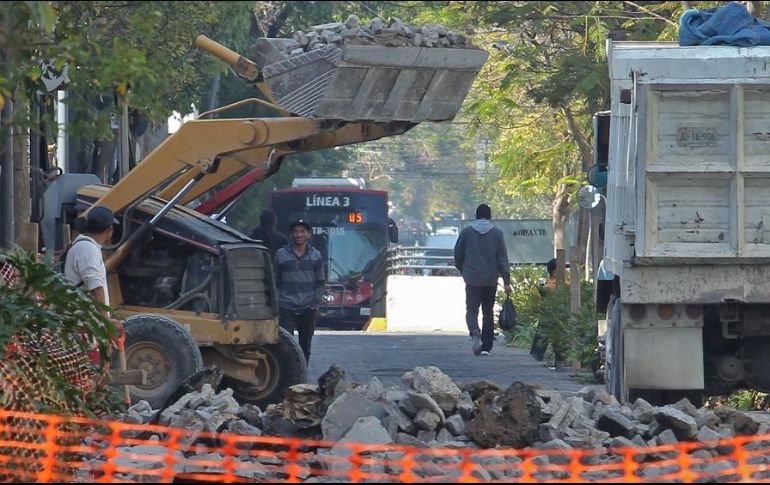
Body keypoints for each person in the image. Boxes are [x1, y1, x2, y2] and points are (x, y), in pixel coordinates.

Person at [454, 204, 512, 356]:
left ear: (476, 215)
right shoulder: (497, 234)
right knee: (488, 311)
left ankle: (474, 332)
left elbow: (458, 253)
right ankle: (486, 346)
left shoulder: (467, 232)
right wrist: (506, 280)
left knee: (471, 310)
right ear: (490, 216)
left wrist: (464, 270)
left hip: (472, 278)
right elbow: (502, 259)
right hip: (490, 279)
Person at [274, 220, 326, 363]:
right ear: (291, 234)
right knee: (286, 345)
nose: (299, 234)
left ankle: (302, 377)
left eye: (302, 231)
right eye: (296, 231)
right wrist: (278, 301)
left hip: (308, 307)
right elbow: (275, 280)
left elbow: (321, 282)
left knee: (305, 345)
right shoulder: (281, 254)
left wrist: (315, 303)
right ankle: (288, 376)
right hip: (286, 306)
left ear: (308, 235)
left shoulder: (315, 255)